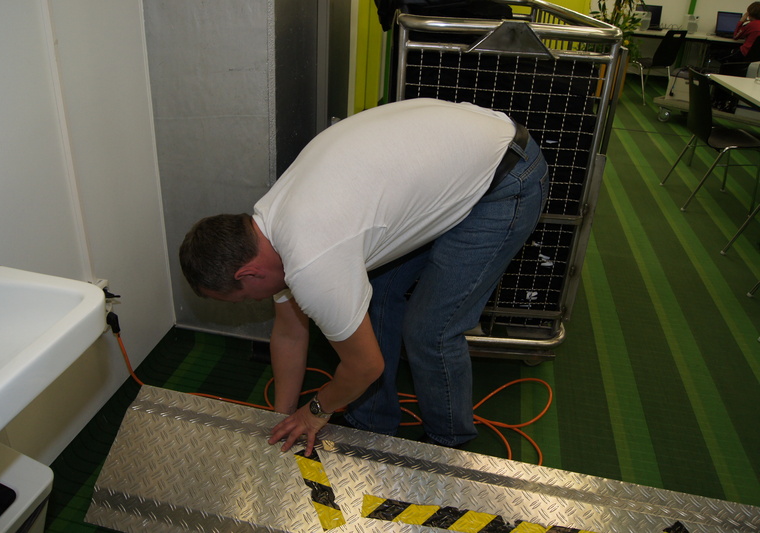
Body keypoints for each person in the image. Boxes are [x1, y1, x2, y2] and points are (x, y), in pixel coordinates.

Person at [179, 98, 549, 456]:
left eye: (246, 296)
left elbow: (366, 366)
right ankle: (373, 423)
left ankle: (448, 442)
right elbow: (290, 333)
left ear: (249, 272)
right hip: (459, 161)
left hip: (504, 177)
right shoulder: (267, 228)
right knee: (376, 296)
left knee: (430, 330)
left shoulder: (310, 261)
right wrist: (282, 418)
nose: (256, 300)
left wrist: (315, 411)